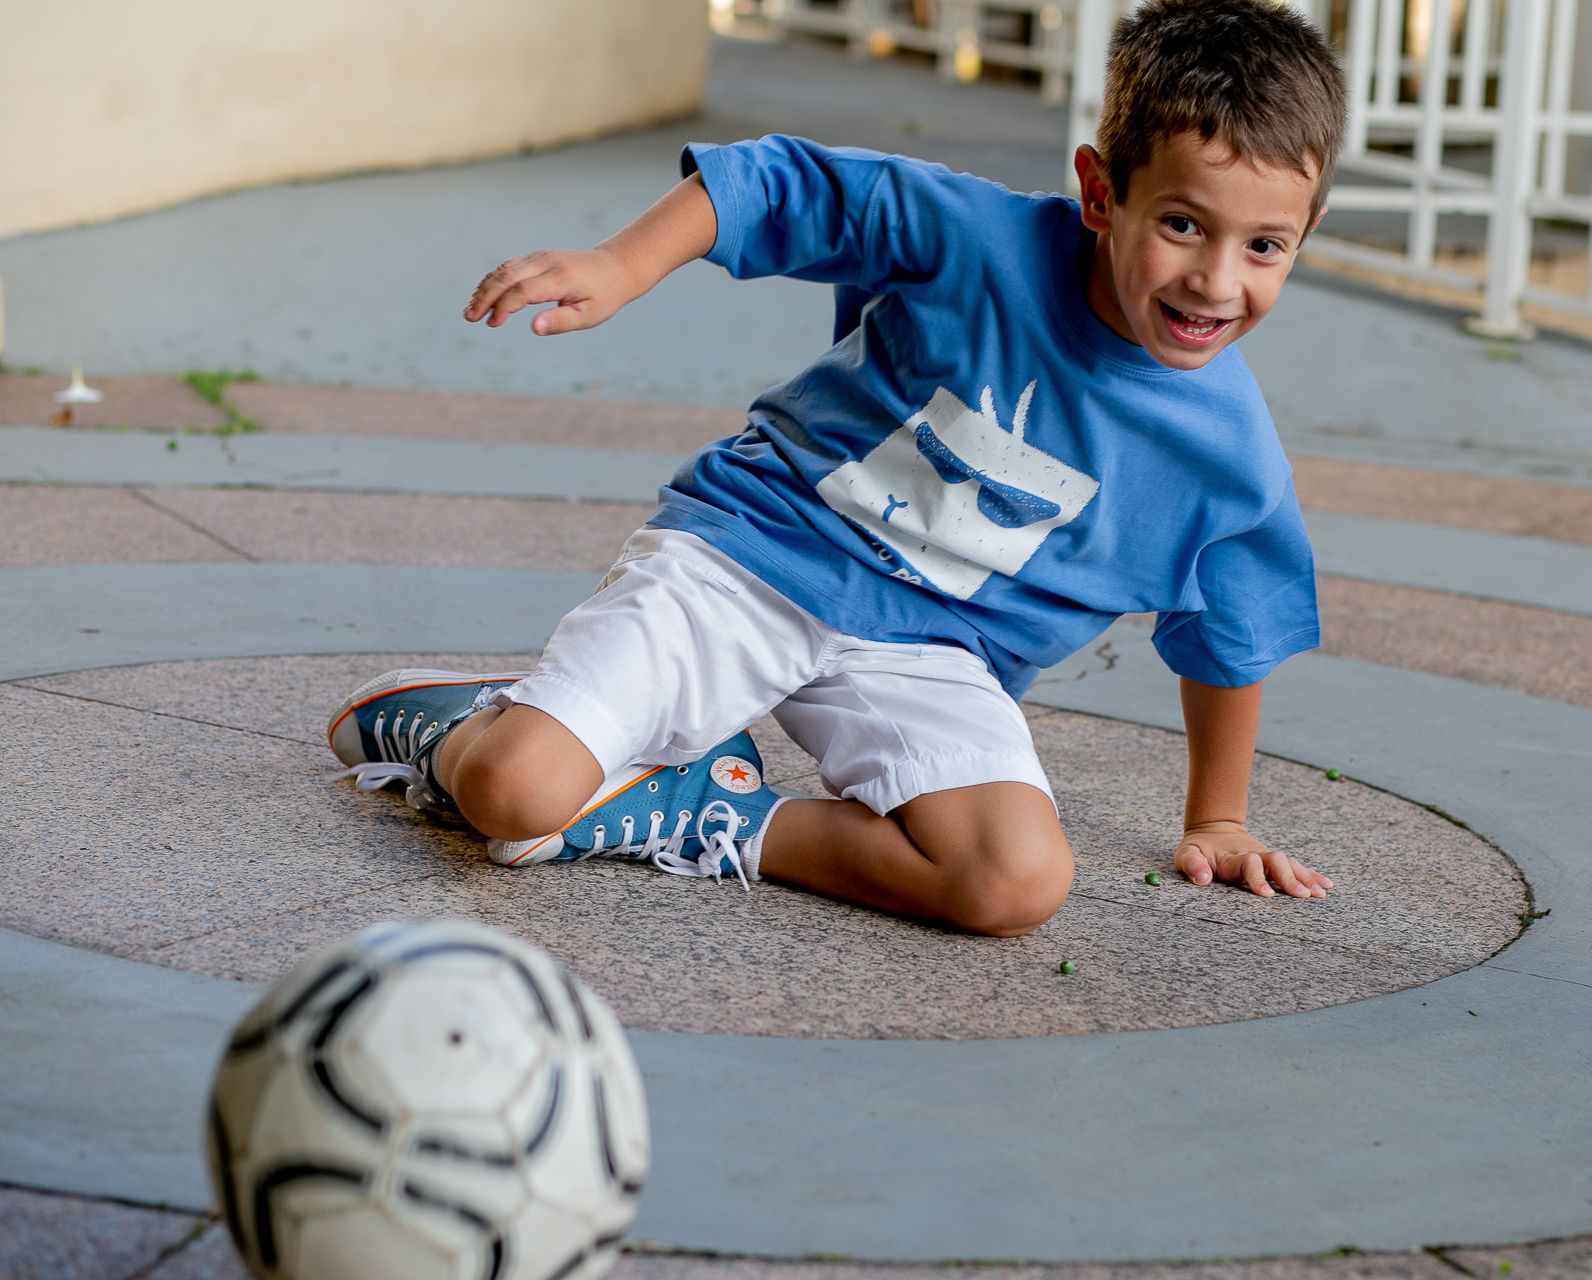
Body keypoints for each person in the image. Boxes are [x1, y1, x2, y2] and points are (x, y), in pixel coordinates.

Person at [329, 0, 1344, 937]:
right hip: (762, 553)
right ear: (1099, 192)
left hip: (934, 651)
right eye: (1182, 225)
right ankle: (461, 726)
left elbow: (1231, 628)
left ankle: (704, 807)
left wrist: (1218, 817)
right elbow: (788, 186)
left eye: (1266, 246)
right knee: (514, 791)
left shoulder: (1229, 455)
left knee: (1012, 881)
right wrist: (621, 264)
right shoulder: (978, 238)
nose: (1218, 279)